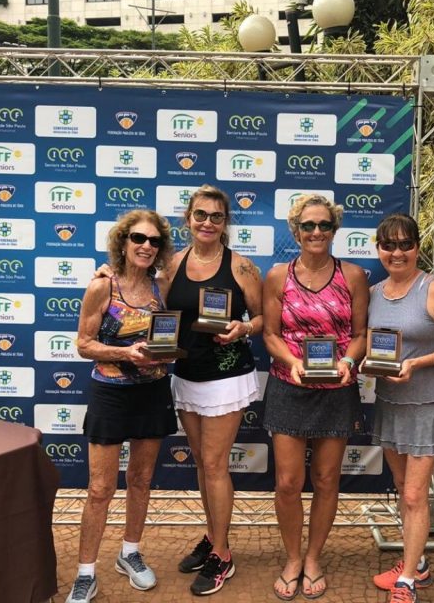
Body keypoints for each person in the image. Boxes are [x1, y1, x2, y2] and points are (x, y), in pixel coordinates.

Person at [66, 209, 178, 603]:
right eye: (138, 238)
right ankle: (85, 573)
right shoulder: (102, 285)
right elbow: (84, 344)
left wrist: (165, 353)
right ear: (124, 241)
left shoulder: (162, 285)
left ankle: (129, 553)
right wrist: (125, 353)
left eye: (154, 241)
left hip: (153, 391)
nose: (146, 246)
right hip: (110, 393)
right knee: (100, 488)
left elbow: (169, 337)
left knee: (141, 480)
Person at [262, 194, 369, 600]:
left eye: (324, 225)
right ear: (296, 232)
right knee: (288, 482)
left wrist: (349, 361)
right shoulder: (277, 276)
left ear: (334, 230)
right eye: (308, 225)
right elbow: (270, 334)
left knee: (326, 480)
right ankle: (292, 558)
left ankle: (313, 558)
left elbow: (359, 335)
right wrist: (292, 362)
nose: (317, 232)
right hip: (289, 386)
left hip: (336, 390)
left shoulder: (353, 276)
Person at [167, 185, 263, 596]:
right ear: (188, 219)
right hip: (187, 373)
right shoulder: (172, 263)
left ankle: (222, 554)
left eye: (216, 216)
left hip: (227, 377)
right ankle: (212, 536)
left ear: (226, 222)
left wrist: (243, 328)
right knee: (202, 464)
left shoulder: (241, 266)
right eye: (201, 215)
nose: (208, 222)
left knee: (214, 464)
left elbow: (263, 318)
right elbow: (150, 303)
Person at [367, 214, 434, 603]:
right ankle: (419, 563)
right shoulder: (374, 293)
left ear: (417, 248)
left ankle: (407, 580)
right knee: (401, 488)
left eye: (405, 245)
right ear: (379, 249)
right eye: (389, 245)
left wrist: (418, 363)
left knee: (413, 495)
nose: (397, 253)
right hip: (390, 403)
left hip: (427, 405)